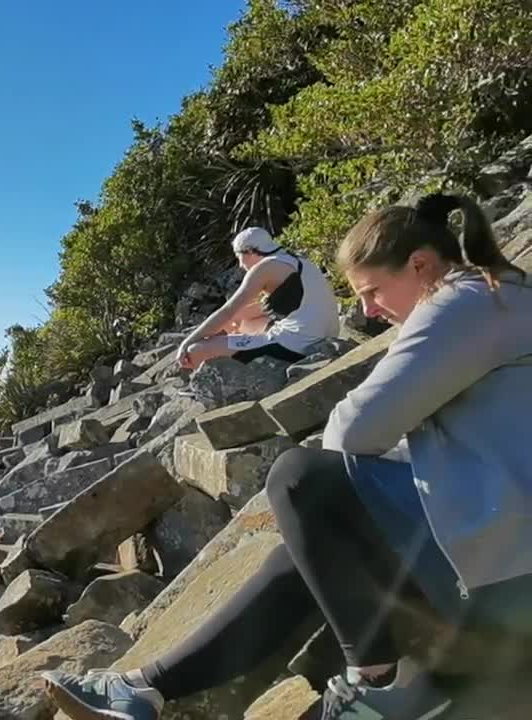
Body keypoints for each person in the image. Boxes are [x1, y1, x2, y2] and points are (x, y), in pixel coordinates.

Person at [42, 193, 532, 720]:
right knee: (307, 552)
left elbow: (350, 433)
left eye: (372, 291)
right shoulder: (498, 298)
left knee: (301, 478)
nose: (366, 311)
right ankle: (145, 690)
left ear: (420, 265)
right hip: (501, 570)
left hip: (507, 585)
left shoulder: (463, 303)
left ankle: (374, 678)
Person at [175, 227, 339, 369]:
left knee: (195, 350)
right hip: (325, 335)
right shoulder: (296, 260)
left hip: (297, 345)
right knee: (242, 321)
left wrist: (187, 342)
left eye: (239, 257)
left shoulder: (263, 268)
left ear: (250, 251)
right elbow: (250, 313)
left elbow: (228, 310)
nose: (240, 265)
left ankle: (215, 383)